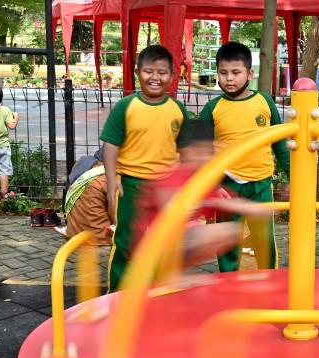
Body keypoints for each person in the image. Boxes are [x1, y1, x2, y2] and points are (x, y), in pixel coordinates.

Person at [99, 44, 188, 292]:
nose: (155, 78)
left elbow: (187, 150)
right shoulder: (126, 106)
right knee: (128, 241)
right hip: (131, 183)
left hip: (166, 186)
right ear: (138, 72)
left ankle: (160, 292)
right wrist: (111, 181)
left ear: (172, 76)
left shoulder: (177, 110)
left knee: (166, 241)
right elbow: (110, 145)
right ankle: (117, 294)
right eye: (149, 71)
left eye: (162, 72)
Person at [198, 41, 289, 272]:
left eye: (235, 73)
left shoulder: (265, 102)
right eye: (223, 73)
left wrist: (295, 175)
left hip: (261, 183)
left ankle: (269, 279)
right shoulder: (212, 108)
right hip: (228, 187)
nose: (229, 79)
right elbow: (200, 153)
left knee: (264, 238)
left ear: (250, 73)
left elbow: (279, 142)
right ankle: (228, 283)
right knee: (228, 241)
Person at [134, 122, 272, 268]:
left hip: (174, 242)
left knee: (230, 231)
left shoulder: (202, 179)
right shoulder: (174, 177)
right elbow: (167, 208)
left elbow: (225, 202)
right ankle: (168, 274)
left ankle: (177, 273)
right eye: (199, 152)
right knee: (209, 234)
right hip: (153, 245)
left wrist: (254, 208)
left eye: (209, 153)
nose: (205, 158)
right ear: (186, 152)